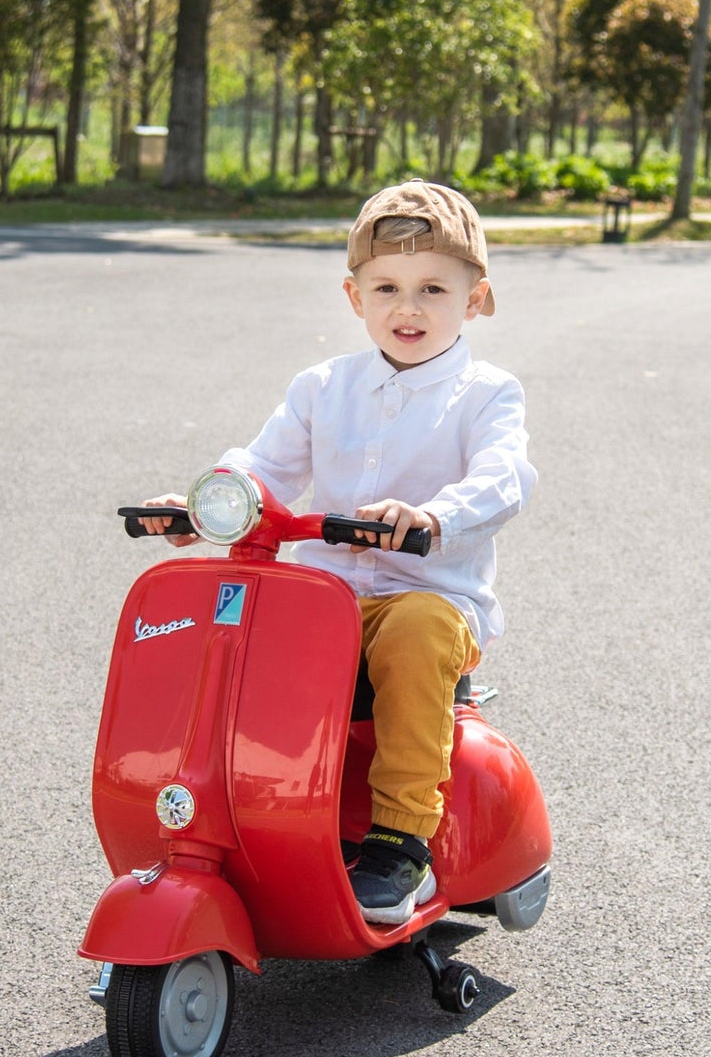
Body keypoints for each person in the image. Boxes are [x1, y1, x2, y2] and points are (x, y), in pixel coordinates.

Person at [142, 179, 536, 924]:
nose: (408, 308)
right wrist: (208, 501)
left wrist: (433, 515)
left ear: (475, 299)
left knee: (416, 628)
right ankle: (233, 815)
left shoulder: (487, 393)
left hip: (428, 600)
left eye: (433, 289)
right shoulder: (322, 387)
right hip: (323, 601)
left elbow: (503, 477)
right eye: (386, 288)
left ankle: (399, 843)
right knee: (228, 628)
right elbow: (263, 466)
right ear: (355, 297)